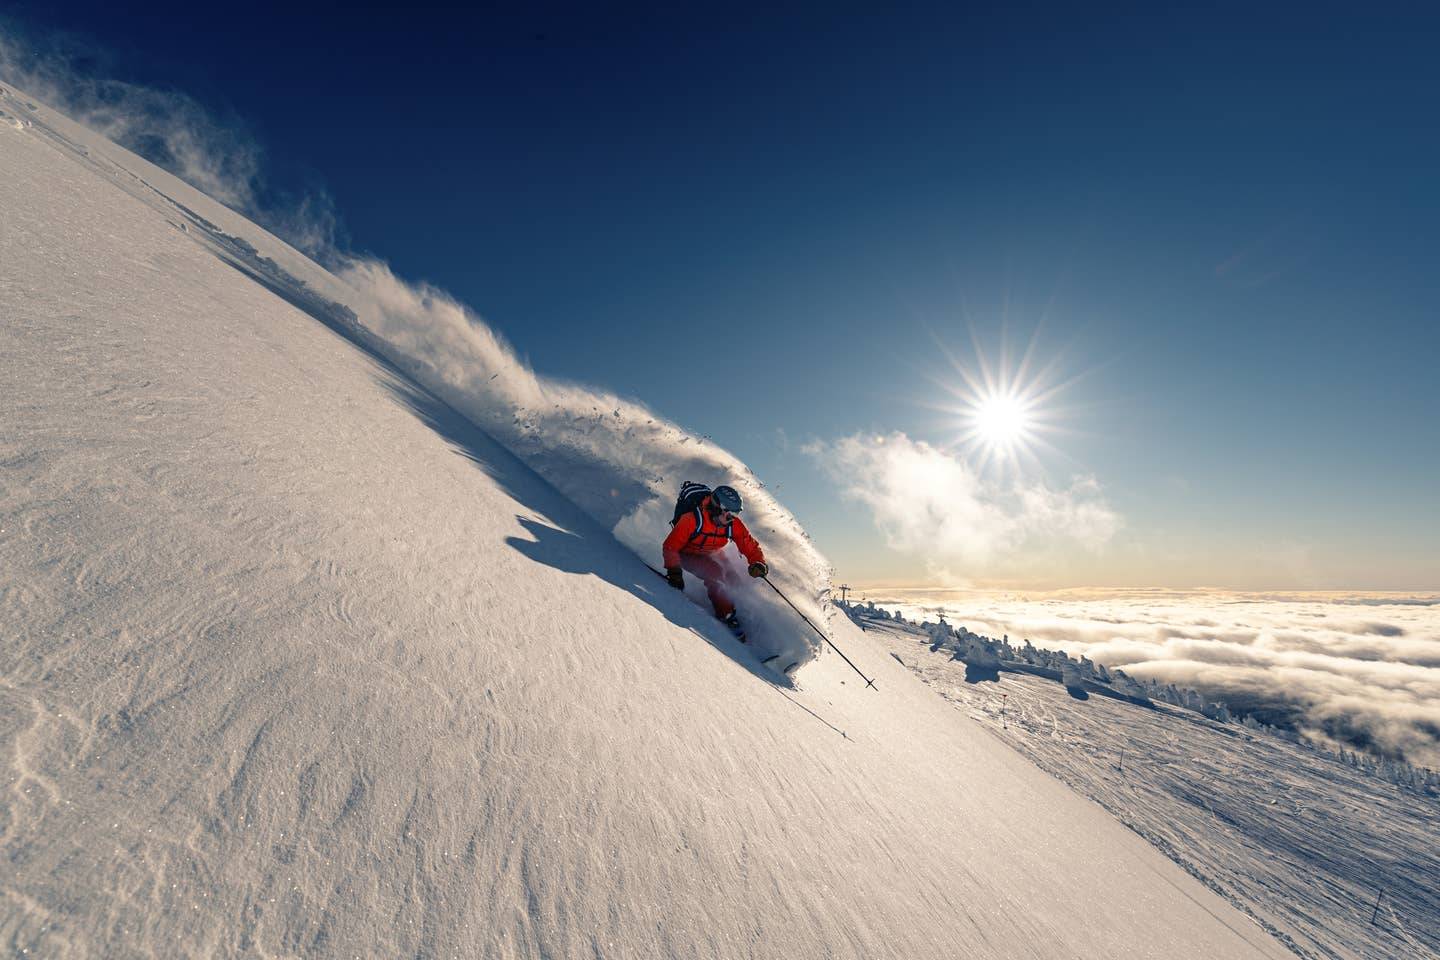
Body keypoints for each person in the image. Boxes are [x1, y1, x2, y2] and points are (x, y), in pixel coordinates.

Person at [662, 484, 768, 639]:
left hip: (712, 552)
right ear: (717, 508)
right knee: (715, 574)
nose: (732, 519)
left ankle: (743, 612)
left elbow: (750, 545)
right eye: (730, 515)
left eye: (735, 515)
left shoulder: (733, 525)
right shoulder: (691, 520)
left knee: (733, 578)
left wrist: (758, 562)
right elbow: (671, 547)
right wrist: (674, 572)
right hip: (687, 554)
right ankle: (727, 615)